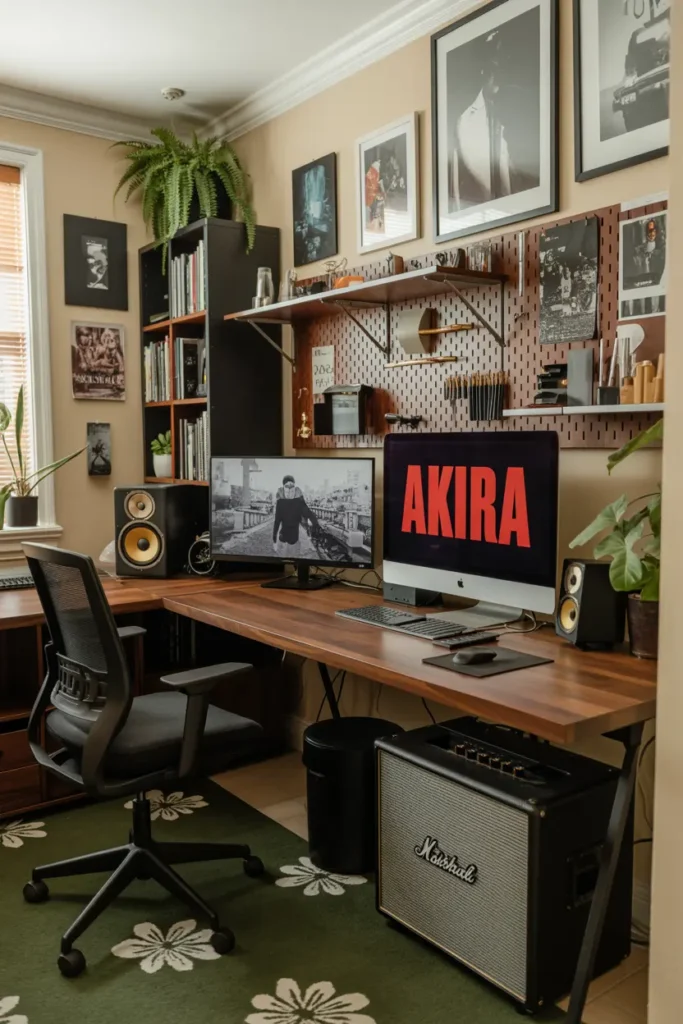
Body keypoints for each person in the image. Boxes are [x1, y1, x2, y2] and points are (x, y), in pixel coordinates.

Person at [272, 476, 319, 558]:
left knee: (294, 561)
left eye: (291, 486)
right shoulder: (280, 502)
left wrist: (314, 522)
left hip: (295, 540)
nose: (289, 489)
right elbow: (277, 521)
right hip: (282, 540)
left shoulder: (299, 501)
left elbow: (308, 513)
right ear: (283, 488)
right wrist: (274, 540)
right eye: (287, 486)